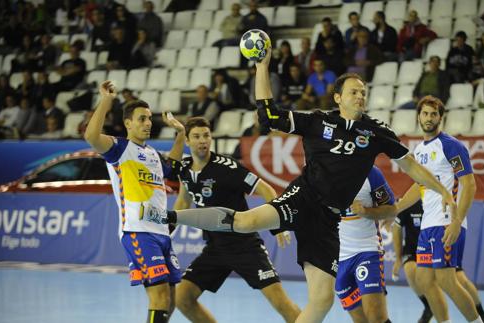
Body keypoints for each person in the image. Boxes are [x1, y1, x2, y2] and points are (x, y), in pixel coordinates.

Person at [140, 47, 456, 323]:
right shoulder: (319, 121)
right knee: (245, 221)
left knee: (322, 301)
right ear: (338, 97)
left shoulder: (377, 131)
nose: (360, 96)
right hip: (303, 197)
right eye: (353, 92)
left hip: (328, 219)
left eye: (363, 92)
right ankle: (171, 217)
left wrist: (442, 190)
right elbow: (268, 116)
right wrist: (262, 66)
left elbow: (412, 165)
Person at [172, 117, 301, 323]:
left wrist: (279, 226)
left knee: (281, 304)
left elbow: (266, 189)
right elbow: (183, 202)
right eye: (196, 137)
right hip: (215, 248)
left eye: (206, 135)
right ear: (187, 141)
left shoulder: (227, 167)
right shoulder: (185, 169)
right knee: (183, 298)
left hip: (244, 245)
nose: (203, 140)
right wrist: (166, 231)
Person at [84, 80, 186, 323]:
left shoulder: (152, 153)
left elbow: (172, 167)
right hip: (138, 231)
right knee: (159, 297)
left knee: (170, 298)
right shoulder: (119, 149)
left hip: (162, 232)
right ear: (128, 123)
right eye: (142, 119)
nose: (148, 123)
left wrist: (181, 134)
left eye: (150, 118)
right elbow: (91, 136)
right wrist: (106, 101)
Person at [396, 95, 483, 323]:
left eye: (433, 114)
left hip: (447, 221)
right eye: (425, 113)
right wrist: (396, 208)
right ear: (418, 116)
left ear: (440, 118)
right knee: (424, 281)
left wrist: (456, 222)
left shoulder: (451, 145)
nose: (429, 118)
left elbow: (469, 184)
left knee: (447, 280)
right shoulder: (419, 150)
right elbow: (420, 184)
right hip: (428, 224)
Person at [393, 201, 484, 323]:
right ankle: (429, 307)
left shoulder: (441, 193)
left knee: (454, 280)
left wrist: (457, 221)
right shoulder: (414, 197)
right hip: (422, 240)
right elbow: (396, 227)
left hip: (442, 229)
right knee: (421, 278)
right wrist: (393, 210)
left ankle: (481, 314)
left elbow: (469, 185)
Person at [336, 166, 397, 323]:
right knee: (360, 319)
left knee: (376, 316)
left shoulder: (370, 173)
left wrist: (365, 211)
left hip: (366, 250)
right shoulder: (320, 171)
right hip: (337, 259)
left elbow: (391, 210)